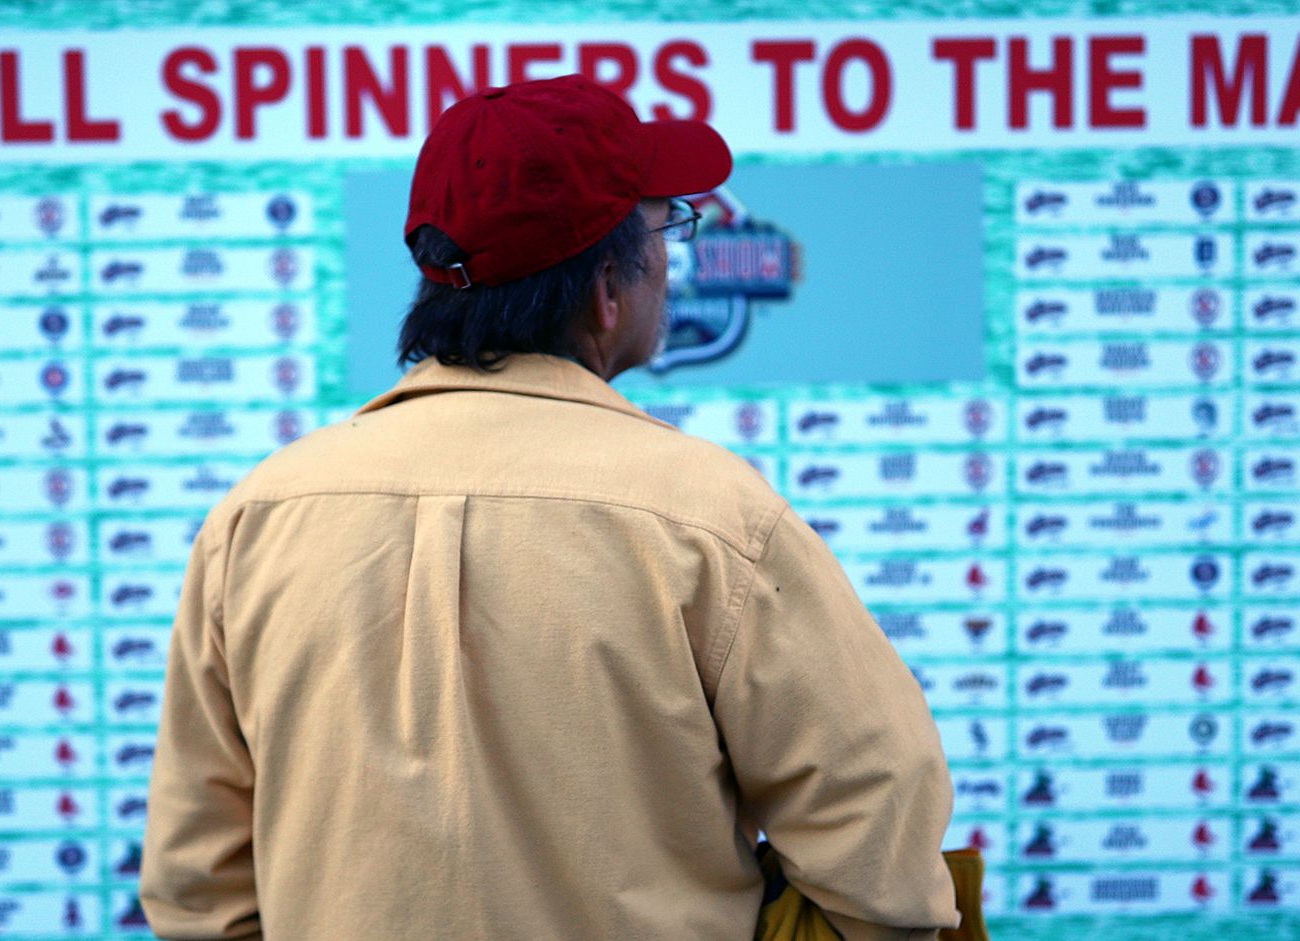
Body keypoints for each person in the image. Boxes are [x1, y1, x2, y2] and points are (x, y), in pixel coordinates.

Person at [139, 73, 959, 940]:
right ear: (607, 290)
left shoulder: (260, 514)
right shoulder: (713, 519)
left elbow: (199, 888)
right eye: (666, 226)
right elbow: (887, 867)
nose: (674, 260)